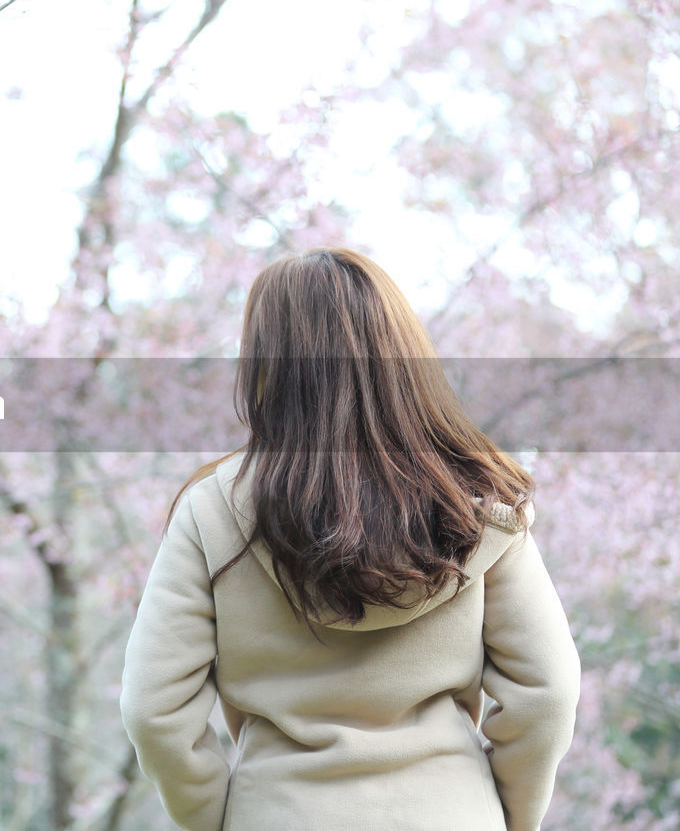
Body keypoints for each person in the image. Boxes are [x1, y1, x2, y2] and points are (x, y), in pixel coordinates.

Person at [119, 248, 581, 831]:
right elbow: (548, 691)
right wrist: (503, 815)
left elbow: (153, 710)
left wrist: (219, 818)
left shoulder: (212, 510)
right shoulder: (479, 504)